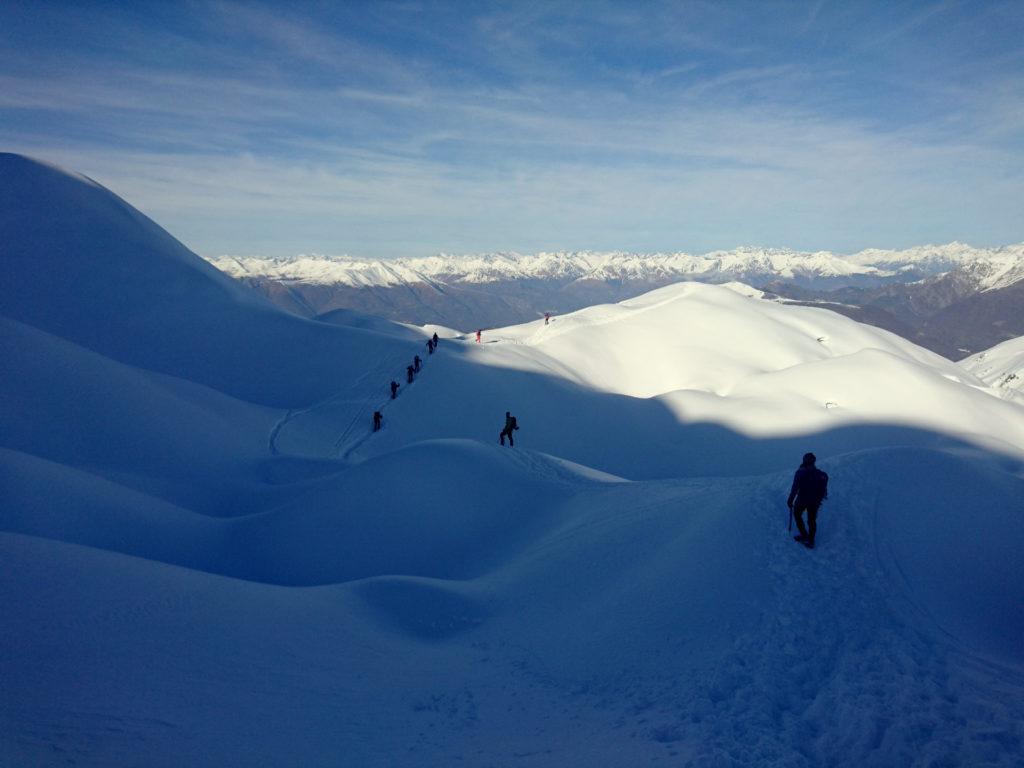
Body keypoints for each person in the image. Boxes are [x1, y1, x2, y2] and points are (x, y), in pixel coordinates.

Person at [787, 452, 829, 549]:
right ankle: (811, 540)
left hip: (802, 499)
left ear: (804, 461)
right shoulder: (820, 474)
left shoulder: (800, 472)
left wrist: (790, 500)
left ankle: (804, 534)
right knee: (812, 520)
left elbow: (795, 488)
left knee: (797, 514)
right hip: (815, 501)